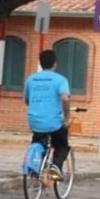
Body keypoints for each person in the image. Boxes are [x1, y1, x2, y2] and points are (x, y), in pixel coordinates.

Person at [23, 49, 71, 179]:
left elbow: (27, 100)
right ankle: (55, 167)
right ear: (55, 64)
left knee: (39, 141)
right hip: (53, 122)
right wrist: (66, 119)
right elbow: (65, 98)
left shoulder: (30, 79)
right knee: (62, 145)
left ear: (40, 63)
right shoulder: (60, 80)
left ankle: (36, 166)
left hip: (34, 121)